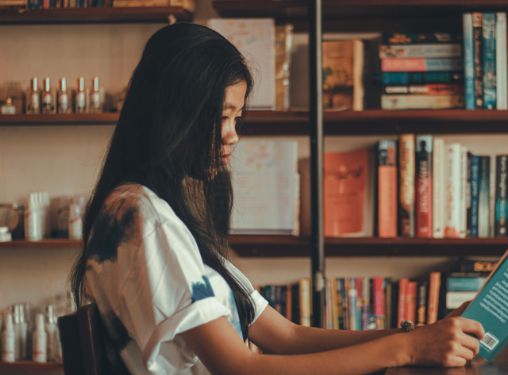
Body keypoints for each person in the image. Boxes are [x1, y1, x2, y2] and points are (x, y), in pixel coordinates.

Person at [70, 23, 484, 375]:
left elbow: (286, 335)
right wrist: (408, 349)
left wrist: (419, 335)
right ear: (173, 113)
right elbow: (239, 368)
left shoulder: (161, 216)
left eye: (237, 118)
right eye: (222, 117)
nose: (233, 135)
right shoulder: (141, 216)